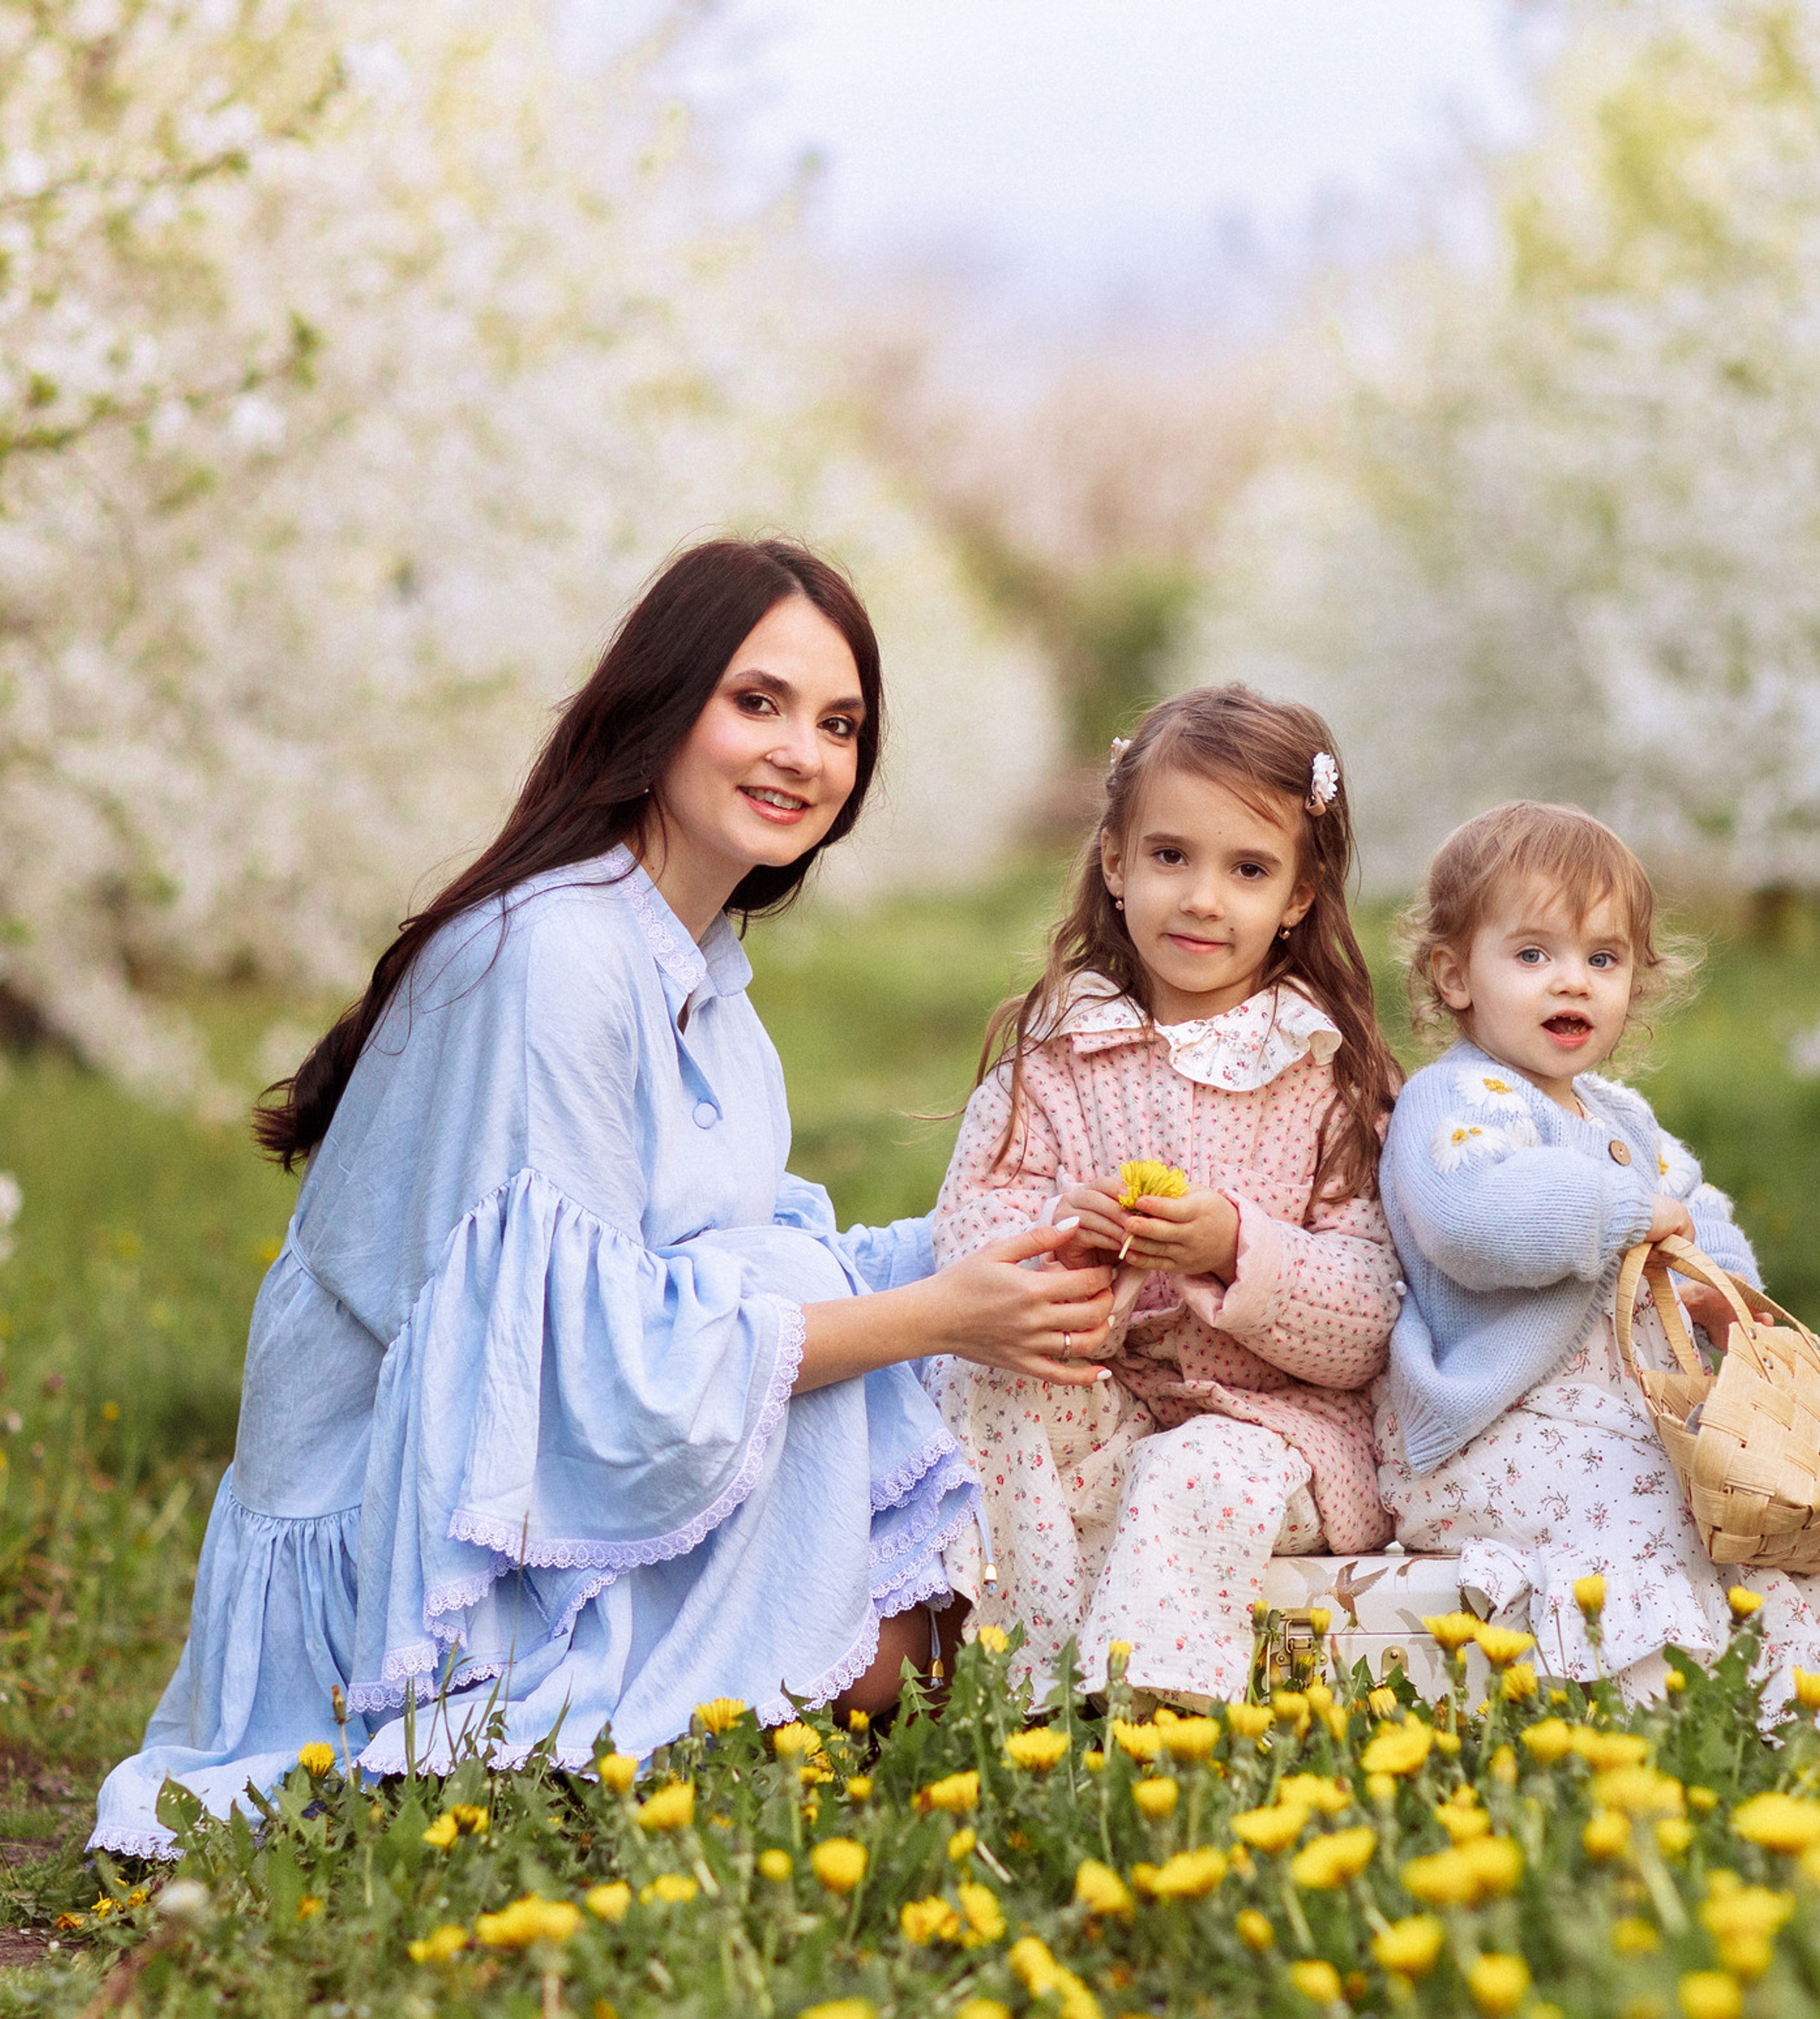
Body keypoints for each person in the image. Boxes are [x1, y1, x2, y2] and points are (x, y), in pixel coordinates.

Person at [92, 537, 1113, 1855]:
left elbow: (720, 1258)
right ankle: (504, 1721)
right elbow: (580, 1360)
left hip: (562, 1463)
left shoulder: (703, 976)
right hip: (425, 1531)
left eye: (839, 723)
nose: (801, 753)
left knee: (932, 1631)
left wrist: (1000, 1246)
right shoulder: (557, 954)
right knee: (914, 1648)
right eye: (758, 703)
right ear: (661, 705)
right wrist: (936, 1318)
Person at [1378, 801, 1820, 1775]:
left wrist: (1721, 1293)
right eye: (1531, 954)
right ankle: (1670, 1722)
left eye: (1602, 960)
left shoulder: (1622, 1114)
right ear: (1452, 975)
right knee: (1649, 1505)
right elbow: (1470, 1217)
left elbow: (1697, 1210)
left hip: (1619, 1413)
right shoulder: (1456, 1098)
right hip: (1498, 1430)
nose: (1572, 979)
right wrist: (1615, 1212)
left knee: (1755, 1493)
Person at [927, 685, 1404, 1705]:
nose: (1201, 898)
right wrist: (1068, 1244)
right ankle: (1035, 1683)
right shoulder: (1058, 1053)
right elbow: (967, 1228)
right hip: (1103, 1401)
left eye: (1247, 869)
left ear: (1299, 896)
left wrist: (1237, 1247)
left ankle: (1150, 1710)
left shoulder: (1325, 1073)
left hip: (1268, 1427)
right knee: (990, 1385)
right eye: (1170, 856)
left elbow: (1372, 1315)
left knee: (1191, 1477)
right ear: (1114, 862)